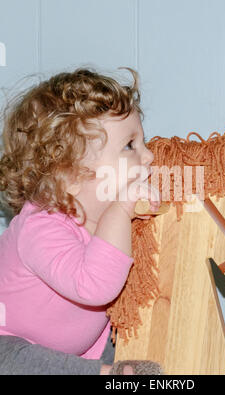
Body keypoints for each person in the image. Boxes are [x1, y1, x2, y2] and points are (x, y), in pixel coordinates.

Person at [0, 67, 163, 375]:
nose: (149, 156)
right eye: (130, 146)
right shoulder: (39, 226)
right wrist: (122, 208)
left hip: (87, 344)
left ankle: (108, 367)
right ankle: (108, 375)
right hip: (9, 338)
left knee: (121, 335)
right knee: (10, 360)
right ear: (70, 177)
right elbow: (94, 288)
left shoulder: (103, 214)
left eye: (143, 142)